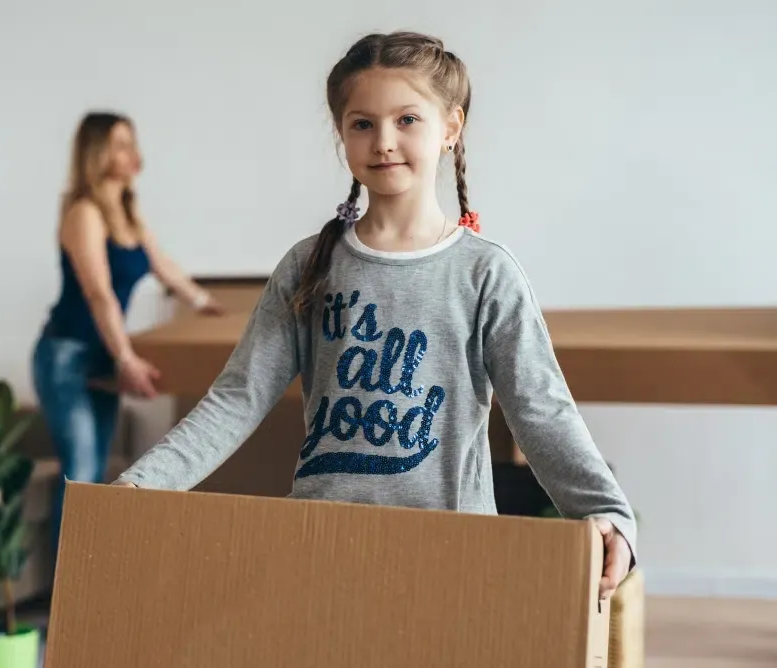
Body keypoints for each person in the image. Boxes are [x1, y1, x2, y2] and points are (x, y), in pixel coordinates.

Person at [112, 32, 636, 600]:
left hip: (452, 556)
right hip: (321, 548)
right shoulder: (309, 265)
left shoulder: (486, 273)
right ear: (342, 134)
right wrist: (143, 484)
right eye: (362, 123)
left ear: (451, 128)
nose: (384, 142)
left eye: (407, 119)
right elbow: (238, 398)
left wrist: (605, 509)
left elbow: (540, 407)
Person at [32, 111, 223, 558]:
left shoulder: (128, 213)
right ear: (96, 153)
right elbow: (98, 294)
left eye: (132, 143)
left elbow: (164, 266)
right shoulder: (84, 212)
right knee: (80, 474)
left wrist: (205, 304)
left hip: (102, 354)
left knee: (97, 473)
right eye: (121, 144)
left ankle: (88, 575)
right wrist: (126, 358)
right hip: (66, 355)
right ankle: (64, 587)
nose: (134, 154)